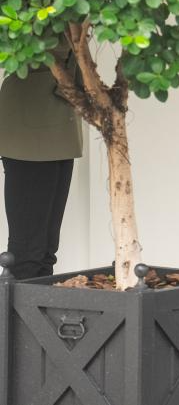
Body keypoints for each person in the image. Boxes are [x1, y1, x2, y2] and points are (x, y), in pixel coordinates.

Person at [0, 43, 83, 279]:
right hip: (31, 124)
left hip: (62, 121)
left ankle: (38, 303)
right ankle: (15, 305)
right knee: (27, 252)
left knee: (46, 250)